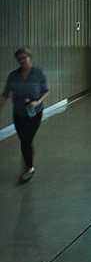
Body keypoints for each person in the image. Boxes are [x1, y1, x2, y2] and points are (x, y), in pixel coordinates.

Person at [2, 47, 47, 182]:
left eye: (24, 58)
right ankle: (28, 165)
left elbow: (45, 91)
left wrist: (37, 102)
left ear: (30, 58)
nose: (21, 61)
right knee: (24, 140)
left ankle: (29, 168)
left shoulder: (38, 73)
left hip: (34, 114)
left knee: (26, 140)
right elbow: (5, 95)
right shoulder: (13, 76)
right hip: (19, 114)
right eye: (19, 59)